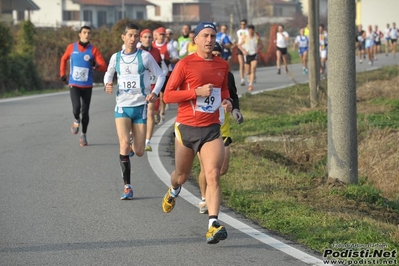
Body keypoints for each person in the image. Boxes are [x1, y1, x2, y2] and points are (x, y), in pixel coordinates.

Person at [161, 22, 232, 244]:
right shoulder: (185, 64)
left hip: (211, 129)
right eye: (205, 36)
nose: (210, 40)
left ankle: (213, 223)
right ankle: (173, 190)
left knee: (213, 173)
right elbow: (168, 96)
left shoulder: (222, 65)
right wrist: (195, 92)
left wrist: (228, 101)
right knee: (181, 176)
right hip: (186, 129)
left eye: (212, 35)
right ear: (196, 40)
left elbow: (224, 90)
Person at [103, 23, 165, 200]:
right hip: (122, 106)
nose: (133, 39)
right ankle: (127, 187)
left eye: (136, 36)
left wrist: (154, 93)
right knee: (123, 145)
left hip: (140, 108)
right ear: (123, 37)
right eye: (130, 35)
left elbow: (160, 75)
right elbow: (108, 73)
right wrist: (108, 83)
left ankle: (132, 139)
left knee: (138, 151)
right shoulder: (116, 58)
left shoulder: (144, 57)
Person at [198, 42, 243, 214]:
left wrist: (235, 109)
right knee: (207, 168)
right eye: (213, 53)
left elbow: (233, 96)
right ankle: (204, 198)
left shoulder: (227, 75)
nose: (215, 57)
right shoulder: (199, 74)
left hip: (222, 127)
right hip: (203, 127)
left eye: (219, 54)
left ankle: (210, 190)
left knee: (221, 169)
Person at [60, 25, 107, 146]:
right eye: (84, 32)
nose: (87, 35)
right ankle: (76, 120)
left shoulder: (94, 50)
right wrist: (62, 74)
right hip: (74, 84)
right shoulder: (71, 47)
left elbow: (103, 66)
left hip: (87, 85)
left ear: (90, 35)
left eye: (89, 33)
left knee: (85, 112)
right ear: (79, 34)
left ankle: (83, 134)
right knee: (76, 108)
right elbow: (63, 59)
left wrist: (95, 64)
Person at [139, 29, 163, 152]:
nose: (148, 39)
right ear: (141, 38)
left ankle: (148, 140)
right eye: (145, 37)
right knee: (139, 113)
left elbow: (159, 70)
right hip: (139, 88)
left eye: (149, 37)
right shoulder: (137, 52)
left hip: (153, 87)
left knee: (150, 112)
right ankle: (137, 136)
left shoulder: (156, 52)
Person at [153, 27, 180, 124]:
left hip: (166, 72)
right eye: (160, 34)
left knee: (162, 94)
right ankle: (155, 112)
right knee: (154, 93)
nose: (162, 37)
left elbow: (177, 58)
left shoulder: (169, 46)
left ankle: (162, 111)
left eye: (164, 35)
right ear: (156, 35)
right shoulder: (152, 46)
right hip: (153, 74)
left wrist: (168, 61)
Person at [237, 24, 262, 91]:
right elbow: (239, 45)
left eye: (252, 30)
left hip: (254, 54)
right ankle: (250, 77)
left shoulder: (256, 37)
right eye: (249, 30)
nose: (250, 31)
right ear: (248, 30)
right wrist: (243, 51)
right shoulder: (245, 37)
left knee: (253, 68)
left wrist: (258, 48)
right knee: (248, 72)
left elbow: (261, 44)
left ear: (253, 30)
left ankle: (250, 84)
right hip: (247, 55)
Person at [237, 19, 248, 86]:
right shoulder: (239, 31)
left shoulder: (248, 31)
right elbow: (240, 39)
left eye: (244, 24)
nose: (242, 25)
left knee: (246, 64)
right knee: (241, 64)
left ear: (246, 24)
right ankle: (242, 79)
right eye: (241, 24)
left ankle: (250, 76)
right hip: (240, 48)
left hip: (247, 49)